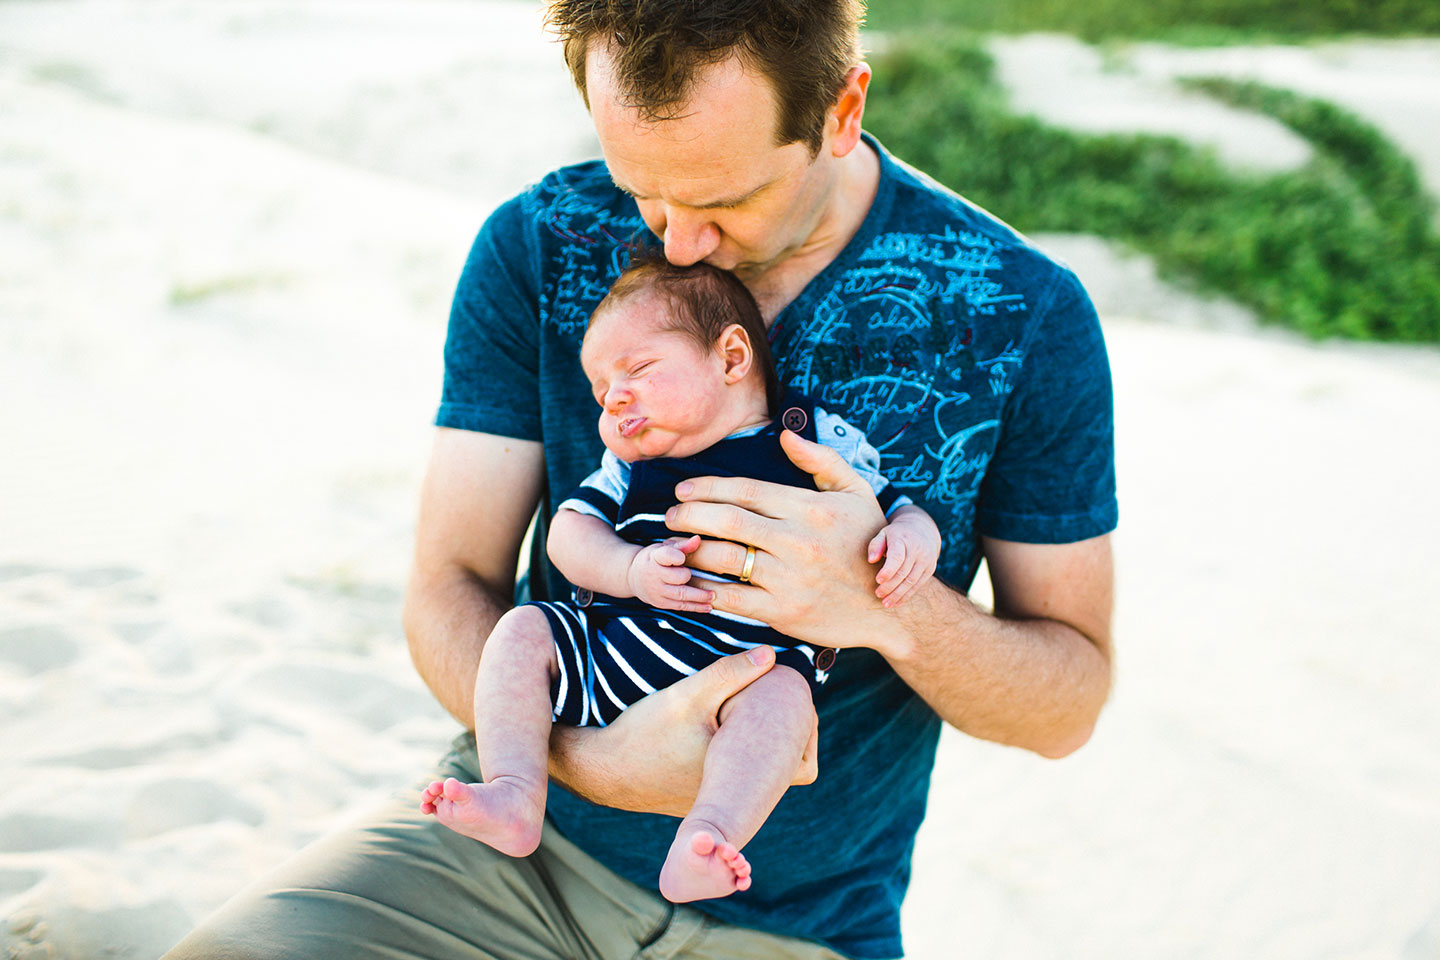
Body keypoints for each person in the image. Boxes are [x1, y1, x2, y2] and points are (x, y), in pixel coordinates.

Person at [163, 1, 1116, 957]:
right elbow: (446, 587)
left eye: (726, 201)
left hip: (798, 928)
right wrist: (597, 765)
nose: (678, 243)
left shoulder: (1017, 312)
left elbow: (1067, 703)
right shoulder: (538, 243)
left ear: (841, 110)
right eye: (644, 191)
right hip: (515, 857)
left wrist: (882, 607)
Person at [420, 255, 941, 904]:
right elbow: (568, 534)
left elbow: (893, 504)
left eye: (636, 370)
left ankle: (708, 835)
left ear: (729, 358)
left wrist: (913, 537)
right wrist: (629, 569)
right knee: (524, 629)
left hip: (745, 672)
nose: (614, 398)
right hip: (616, 654)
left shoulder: (808, 442)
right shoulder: (624, 468)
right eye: (600, 390)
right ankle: (514, 791)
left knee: (785, 704)